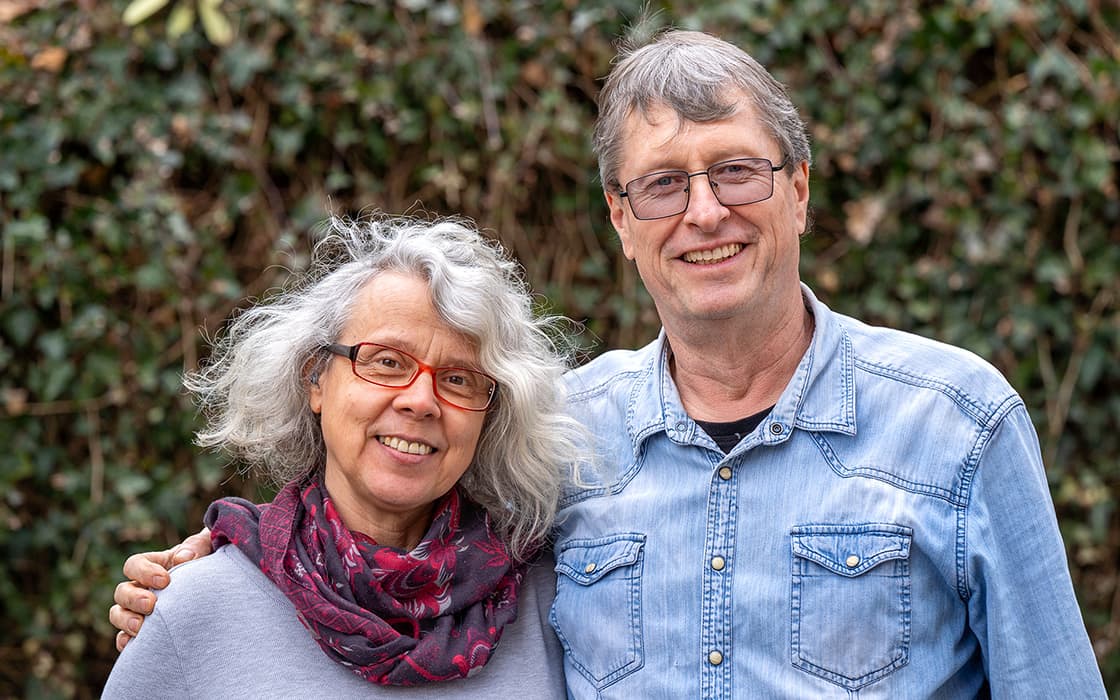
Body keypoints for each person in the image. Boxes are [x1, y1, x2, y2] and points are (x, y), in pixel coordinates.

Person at [111, 30, 1107, 698]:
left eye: (737, 171)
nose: (705, 211)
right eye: (663, 185)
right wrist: (213, 570)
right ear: (622, 222)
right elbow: (392, 524)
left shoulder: (956, 421)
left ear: (799, 190)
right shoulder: (558, 440)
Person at [102, 215, 582, 697]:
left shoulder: (550, 600)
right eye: (387, 362)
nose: (420, 400)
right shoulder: (194, 611)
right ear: (316, 378)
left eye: (459, 379)